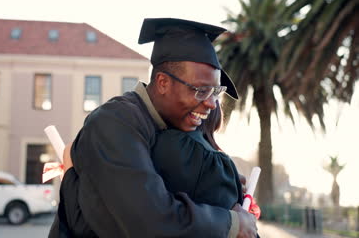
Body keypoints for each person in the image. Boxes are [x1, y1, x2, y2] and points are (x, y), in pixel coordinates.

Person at [49, 18, 258, 238]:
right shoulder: (114, 122)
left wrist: (220, 184)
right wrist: (231, 223)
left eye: (215, 92)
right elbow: (149, 220)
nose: (212, 103)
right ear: (163, 83)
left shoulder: (172, 125)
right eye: (201, 91)